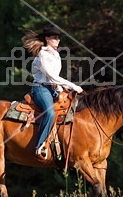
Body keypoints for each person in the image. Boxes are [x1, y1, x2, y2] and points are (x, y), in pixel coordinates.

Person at [22, 26, 84, 160]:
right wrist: (72, 86)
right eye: (55, 38)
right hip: (41, 88)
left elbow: (55, 77)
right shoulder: (43, 55)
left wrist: (63, 90)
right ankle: (39, 146)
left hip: (53, 88)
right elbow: (51, 76)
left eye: (58, 38)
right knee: (49, 112)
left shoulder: (55, 55)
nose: (58, 41)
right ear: (47, 39)